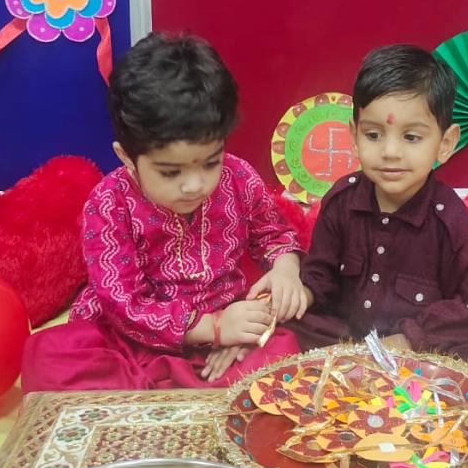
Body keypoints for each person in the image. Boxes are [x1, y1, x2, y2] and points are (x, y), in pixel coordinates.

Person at [21, 33, 307, 392]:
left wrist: (285, 271)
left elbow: (275, 236)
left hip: (221, 340)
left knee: (284, 353)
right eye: (171, 172)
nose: (195, 185)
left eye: (210, 163)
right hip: (126, 342)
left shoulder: (239, 177)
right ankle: (182, 393)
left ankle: (168, 394)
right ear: (127, 157)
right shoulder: (109, 202)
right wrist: (213, 327)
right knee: (49, 357)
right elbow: (122, 303)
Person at [294, 44, 468, 371]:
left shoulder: (448, 217)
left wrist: (408, 339)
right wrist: (300, 295)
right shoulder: (341, 200)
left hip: (419, 350)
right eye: (374, 135)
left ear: (446, 143)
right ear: (354, 136)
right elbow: (320, 278)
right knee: (286, 327)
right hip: (348, 338)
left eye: (411, 137)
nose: (390, 152)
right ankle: (346, 365)